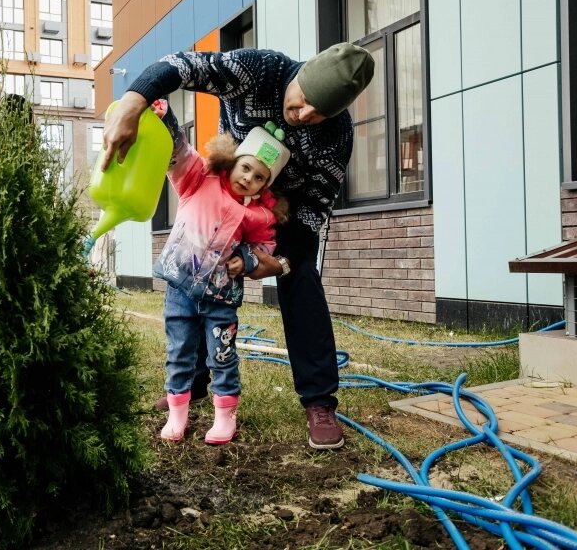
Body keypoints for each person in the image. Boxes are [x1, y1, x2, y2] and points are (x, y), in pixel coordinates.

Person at [103, 43, 375, 450]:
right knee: (196, 279)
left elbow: (315, 211)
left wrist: (279, 261)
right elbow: (182, 65)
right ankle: (192, 384)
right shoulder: (259, 70)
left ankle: (319, 401)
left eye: (317, 114)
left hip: (283, 215)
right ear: (299, 75)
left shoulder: (336, 135)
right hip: (227, 191)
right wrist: (132, 102)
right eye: (302, 103)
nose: (303, 117)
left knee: (301, 280)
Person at [154, 98, 289, 446]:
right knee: (179, 352)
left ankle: (225, 416)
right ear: (233, 161)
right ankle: (177, 414)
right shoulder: (200, 179)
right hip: (180, 290)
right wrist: (167, 118)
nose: (249, 178)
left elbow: (265, 250)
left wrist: (246, 260)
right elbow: (179, 152)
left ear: (265, 186)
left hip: (220, 298)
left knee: (223, 355)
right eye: (246, 167)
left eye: (260, 177)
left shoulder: (258, 216)